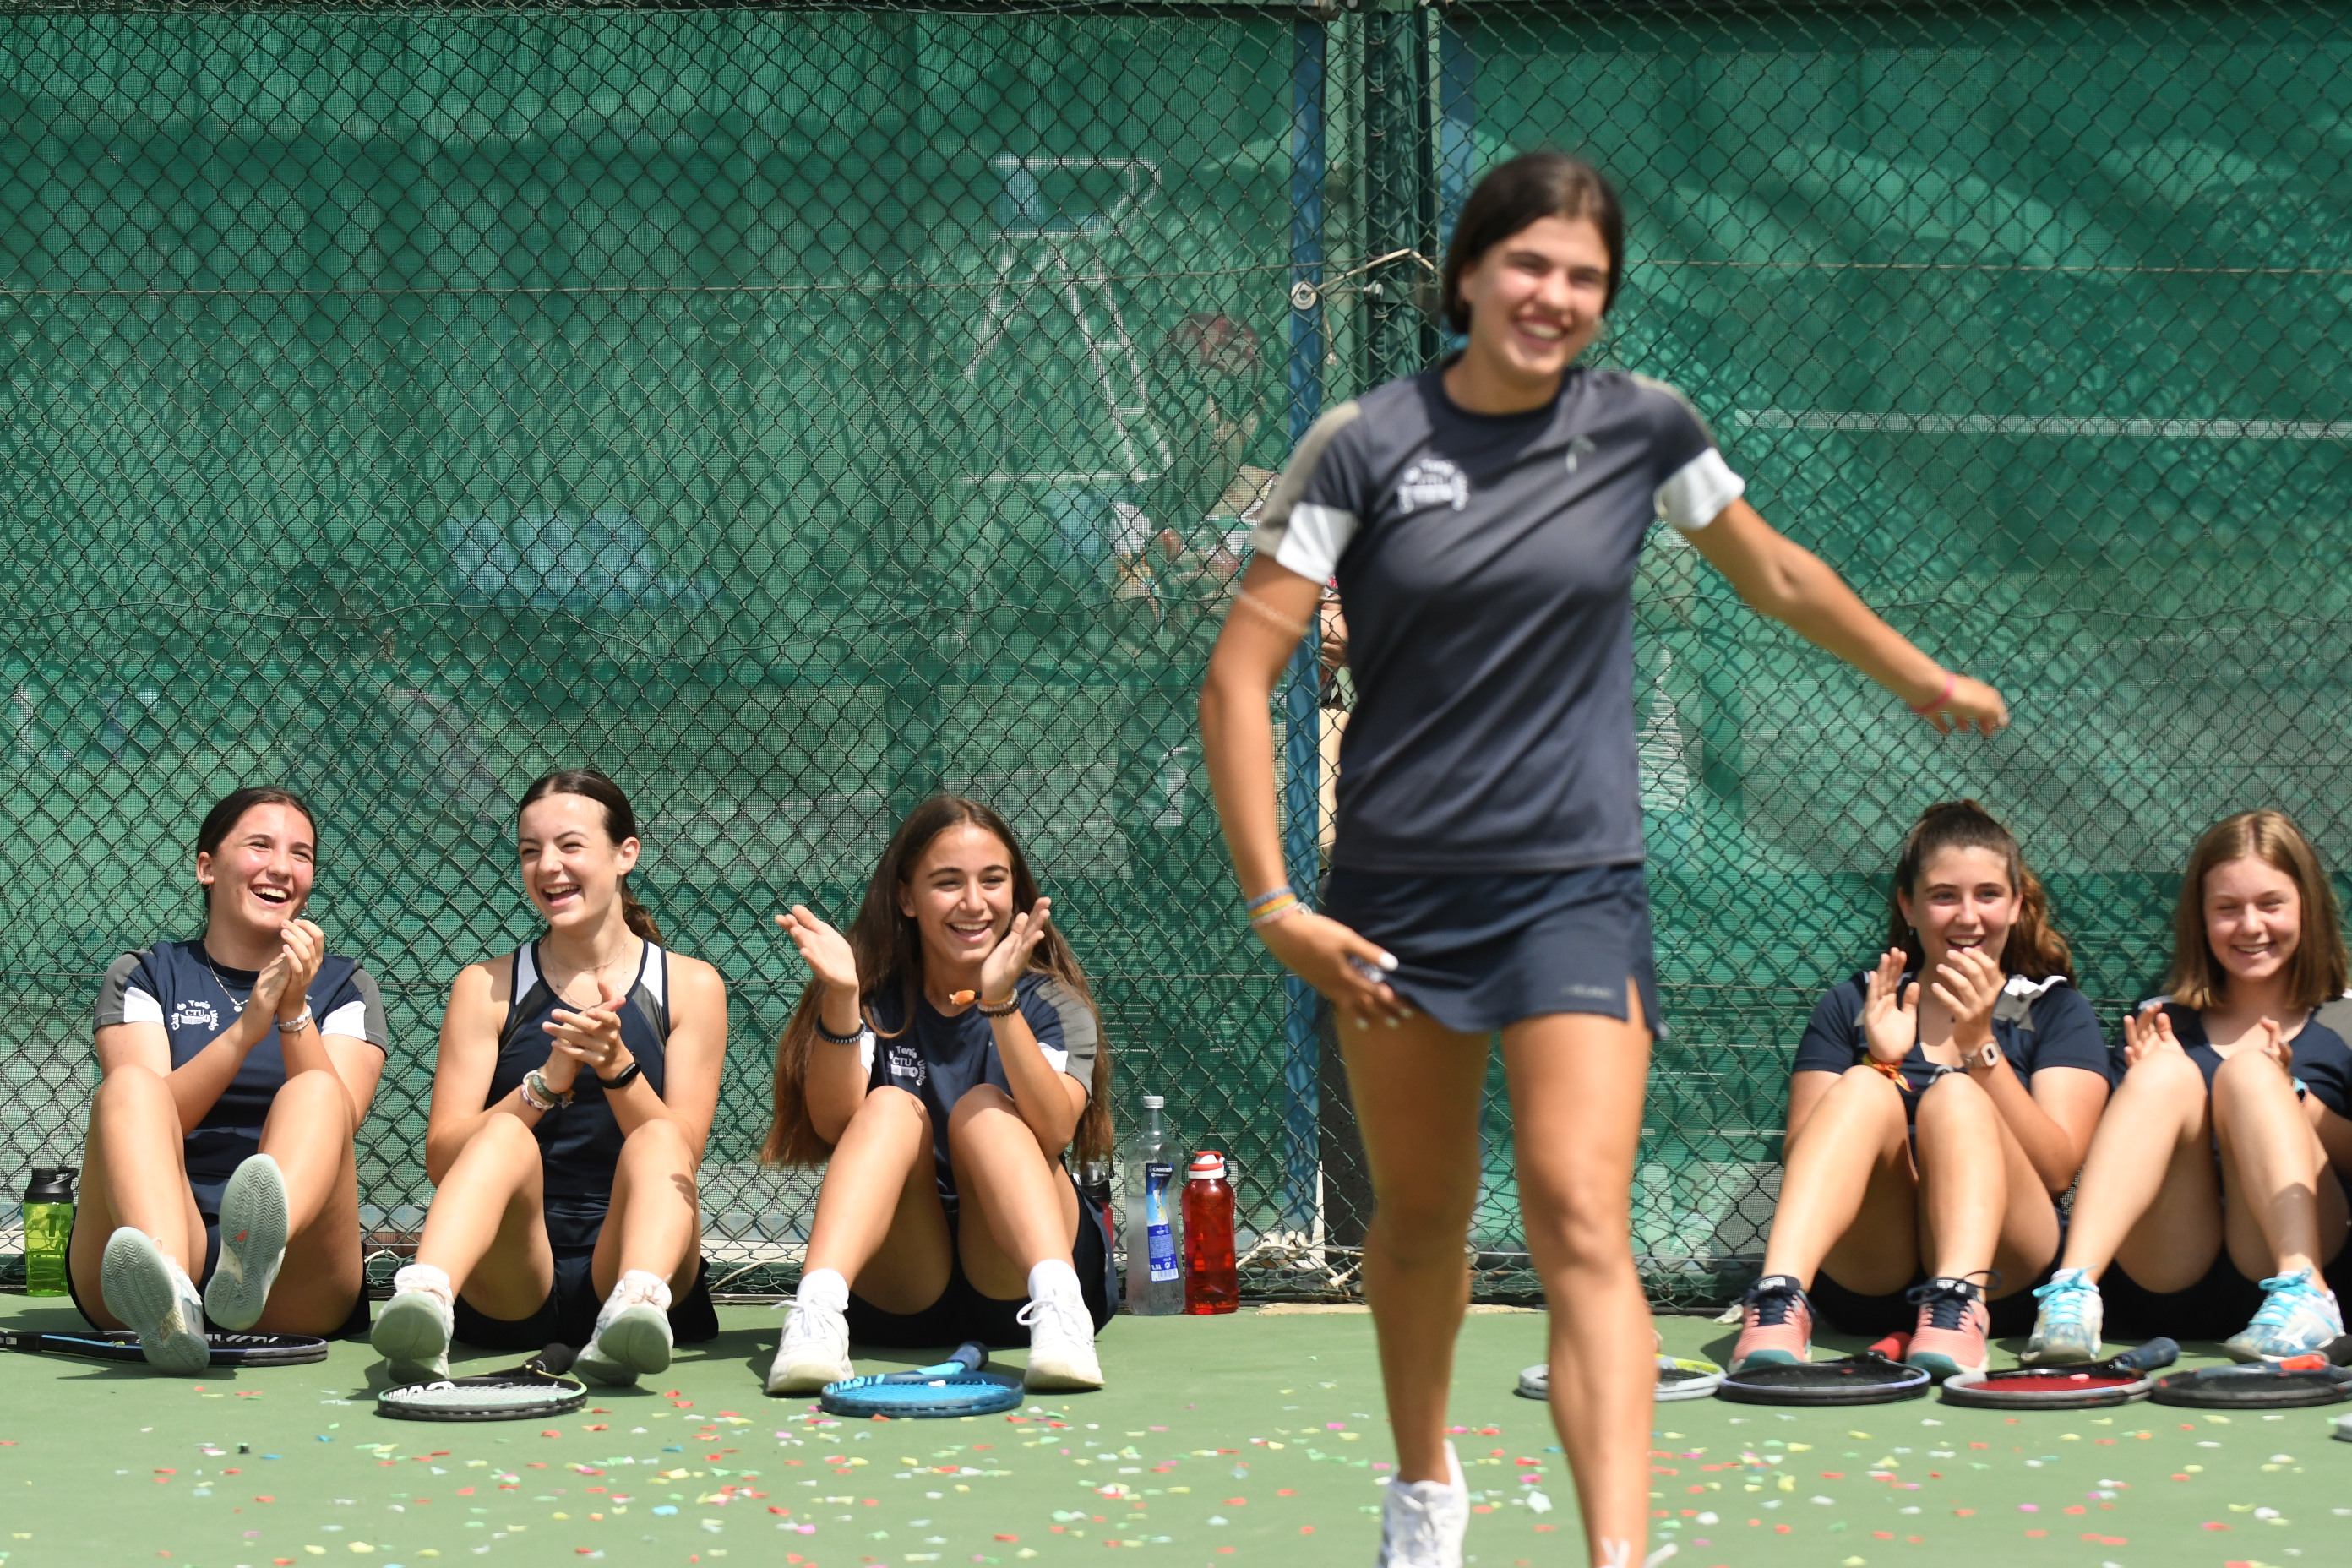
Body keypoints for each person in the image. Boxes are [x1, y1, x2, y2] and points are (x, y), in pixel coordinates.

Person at [1196, 150, 2007, 1568]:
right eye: (1527, 263)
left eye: (1583, 277)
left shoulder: (1642, 428)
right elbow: (1237, 673)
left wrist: (1916, 676)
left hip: (1575, 894)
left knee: (1579, 1215)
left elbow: (1776, 572)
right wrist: (1275, 904)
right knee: (1420, 1221)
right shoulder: (1362, 443)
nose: (1552, 294)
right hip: (1393, 901)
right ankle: (1422, 1493)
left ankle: (1615, 1555)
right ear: (1467, 273)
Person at [1728, 801, 2110, 1379]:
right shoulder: (1857, 1002)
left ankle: (1957, 1300)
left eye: (1988, 894)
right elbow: (1803, 1154)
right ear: (1909, 905)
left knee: (1957, 1097)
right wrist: (1881, 1062)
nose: (1967, 917)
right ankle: (1778, 1297)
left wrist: (1981, 1048)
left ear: (2015, 905)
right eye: (1943, 896)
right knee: (1863, 1085)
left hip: (2002, 1272)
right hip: (1871, 1273)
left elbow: (2057, 1170)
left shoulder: (2054, 1008)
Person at [372, 768, 727, 1385]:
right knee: (505, 1134)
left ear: (625, 854)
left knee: (659, 1136)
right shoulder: (484, 987)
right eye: (530, 851)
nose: (548, 867)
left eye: (570, 845)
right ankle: (424, 1302)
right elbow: (443, 1157)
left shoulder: (692, 986)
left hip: (634, 1252)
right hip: (514, 1272)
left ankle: (635, 1312)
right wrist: (545, 1083)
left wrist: (617, 1070)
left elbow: (683, 1157)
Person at [763, 795, 1115, 1396]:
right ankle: (816, 1318)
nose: (974, 903)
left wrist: (999, 1003)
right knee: (887, 1106)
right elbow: (834, 1123)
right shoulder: (873, 998)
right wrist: (842, 996)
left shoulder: (1053, 1002)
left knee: (986, 1110)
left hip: (1015, 1276)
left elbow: (1055, 1131)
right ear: (907, 898)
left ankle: (1061, 1315)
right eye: (948, 883)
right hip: (906, 1285)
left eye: (993, 880)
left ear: (1015, 892)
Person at [2024, 808, 2352, 1362]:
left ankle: (2306, 1294)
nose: (2250, 926)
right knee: (2166, 1073)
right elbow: (2113, 1165)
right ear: (2200, 917)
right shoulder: (2159, 1018)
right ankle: (2072, 1291)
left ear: (2307, 906)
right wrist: (2147, 1084)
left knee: (2250, 1072)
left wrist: (2293, 1097)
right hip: (2172, 1271)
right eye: (2228, 908)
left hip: (2296, 1252)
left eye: (2271, 904)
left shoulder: (2345, 1018)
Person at [80, 785, 389, 1370]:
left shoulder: (346, 987)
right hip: (164, 1232)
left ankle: (252, 1257)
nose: (282, 867)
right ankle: (169, 1296)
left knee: (318, 1090)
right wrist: (247, 1029)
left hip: (293, 1277)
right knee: (130, 1088)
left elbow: (338, 1124)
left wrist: (293, 1010)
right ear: (207, 867)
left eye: (301, 854)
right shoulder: (145, 975)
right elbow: (146, 1120)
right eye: (260, 846)